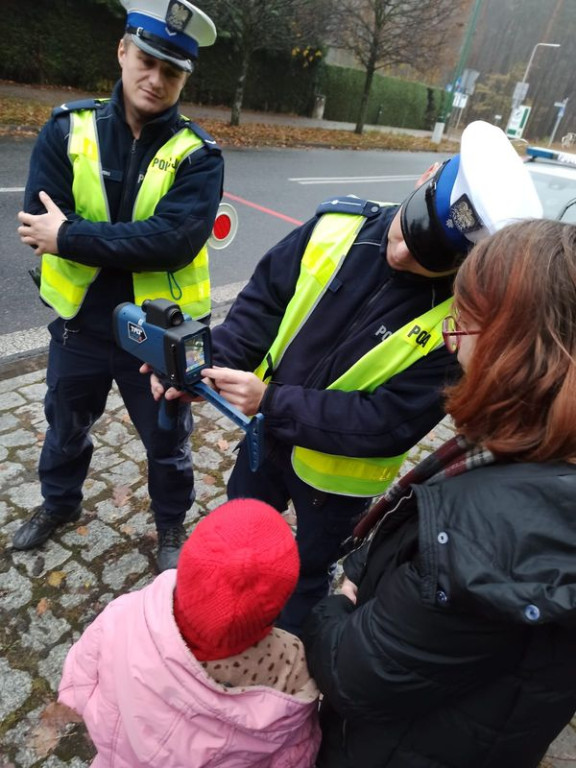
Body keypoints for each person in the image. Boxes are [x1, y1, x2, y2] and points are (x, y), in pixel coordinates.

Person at [151, 120, 542, 633]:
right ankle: (227, 623)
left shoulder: (459, 323)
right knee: (239, 534)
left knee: (307, 575)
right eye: (407, 229)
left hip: (335, 484)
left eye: (429, 259)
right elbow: (261, 307)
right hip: (264, 443)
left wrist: (270, 400)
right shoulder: (337, 225)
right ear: (427, 174)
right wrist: (204, 363)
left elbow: (387, 422)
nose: (401, 254)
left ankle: (283, 658)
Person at [301, 218, 576, 768]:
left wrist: (334, 606)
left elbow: (355, 674)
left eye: (463, 328)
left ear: (513, 350)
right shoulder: (532, 450)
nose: (452, 346)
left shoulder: (483, 540)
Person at [12, 0, 224, 571]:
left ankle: (171, 526)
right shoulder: (66, 129)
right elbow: (39, 222)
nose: (156, 80)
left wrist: (73, 235)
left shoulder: (198, 156)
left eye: (173, 71)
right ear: (123, 51)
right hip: (79, 323)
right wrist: (121, 237)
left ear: (185, 78)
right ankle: (59, 503)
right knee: (64, 425)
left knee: (167, 441)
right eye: (148, 61)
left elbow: (174, 240)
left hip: (157, 335)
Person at [58, 498, 321, 767]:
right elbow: (293, 751)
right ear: (276, 605)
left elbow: (81, 677)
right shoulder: (288, 664)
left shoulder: (125, 612)